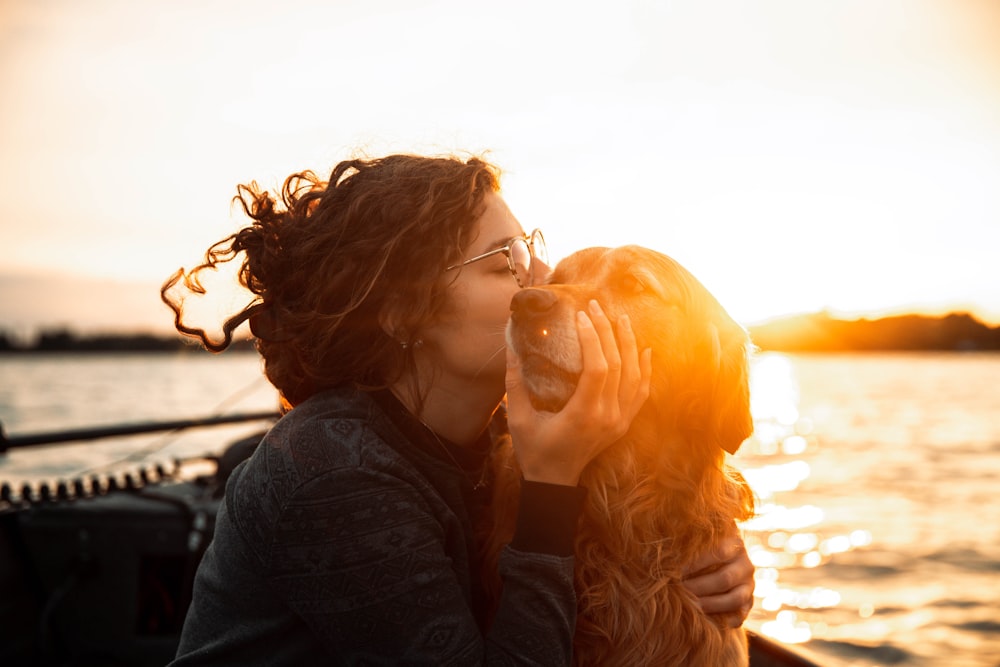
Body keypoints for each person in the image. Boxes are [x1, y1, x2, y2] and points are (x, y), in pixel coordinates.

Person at [162, 153, 754, 665]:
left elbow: (649, 502)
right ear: (400, 313)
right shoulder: (331, 471)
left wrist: (716, 555)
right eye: (504, 266)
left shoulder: (498, 434)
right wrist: (551, 484)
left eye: (531, 255)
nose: (542, 287)